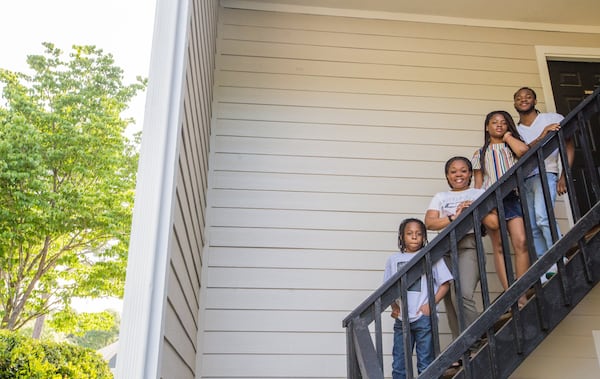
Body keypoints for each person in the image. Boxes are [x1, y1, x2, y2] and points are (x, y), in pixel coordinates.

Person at [425, 156, 499, 341]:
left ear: (470, 174)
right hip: (444, 249)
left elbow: (495, 223)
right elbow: (430, 223)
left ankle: (477, 339)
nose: (458, 174)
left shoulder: (478, 193)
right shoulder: (441, 197)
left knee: (462, 293)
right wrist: (453, 217)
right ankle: (461, 347)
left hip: (469, 244)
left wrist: (475, 210)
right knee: (450, 300)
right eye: (453, 171)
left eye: (464, 170)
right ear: (447, 176)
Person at [513, 87, 575, 280]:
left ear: (535, 100)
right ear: (515, 103)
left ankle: (559, 255)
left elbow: (569, 145)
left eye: (528, 96)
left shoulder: (551, 118)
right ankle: (545, 265)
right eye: (519, 98)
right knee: (532, 225)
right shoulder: (515, 130)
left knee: (543, 216)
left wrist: (564, 174)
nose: (523, 100)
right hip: (524, 180)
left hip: (547, 173)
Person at [472, 110, 530, 307]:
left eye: (503, 123)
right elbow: (478, 185)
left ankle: (521, 289)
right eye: (494, 122)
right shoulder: (479, 154)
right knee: (499, 247)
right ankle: (510, 292)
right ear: (487, 127)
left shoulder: (512, 147)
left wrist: (507, 137)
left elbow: (524, 152)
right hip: (490, 202)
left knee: (521, 242)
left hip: (511, 198)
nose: (498, 125)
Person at [383, 218, 452, 379]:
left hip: (424, 318)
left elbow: (446, 284)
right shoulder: (393, 260)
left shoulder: (431, 256)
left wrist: (430, 305)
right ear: (401, 237)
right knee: (399, 364)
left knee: (425, 362)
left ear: (424, 237)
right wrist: (394, 307)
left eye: (418, 234)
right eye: (409, 233)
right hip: (402, 319)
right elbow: (386, 289)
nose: (414, 237)